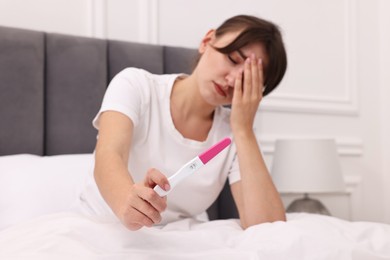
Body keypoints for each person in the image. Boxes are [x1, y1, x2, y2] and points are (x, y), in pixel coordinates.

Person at [79, 14, 288, 231]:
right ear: (207, 41)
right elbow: (109, 154)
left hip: (174, 241)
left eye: (248, 79)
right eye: (233, 59)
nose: (233, 80)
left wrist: (244, 130)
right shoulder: (136, 86)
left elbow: (267, 227)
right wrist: (128, 203)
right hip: (104, 229)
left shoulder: (236, 132)